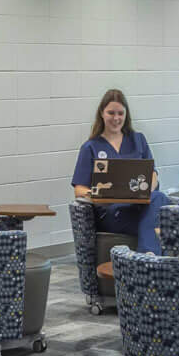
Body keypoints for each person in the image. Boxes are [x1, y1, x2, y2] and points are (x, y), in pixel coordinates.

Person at [70, 88, 164, 255]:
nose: (116, 118)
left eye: (120, 113)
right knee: (155, 222)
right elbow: (79, 190)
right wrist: (99, 196)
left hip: (139, 206)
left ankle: (147, 257)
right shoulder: (90, 147)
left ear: (126, 114)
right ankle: (147, 256)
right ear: (101, 113)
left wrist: (147, 188)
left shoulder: (138, 140)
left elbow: (153, 174)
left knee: (159, 197)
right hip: (112, 213)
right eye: (111, 113)